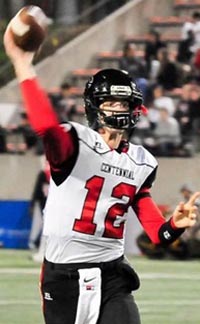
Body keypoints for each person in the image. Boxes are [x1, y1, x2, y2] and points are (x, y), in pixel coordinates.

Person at [4, 25, 200, 324]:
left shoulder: (142, 161)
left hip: (111, 274)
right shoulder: (75, 143)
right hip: (63, 276)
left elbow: (157, 235)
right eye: (111, 102)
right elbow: (45, 125)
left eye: (124, 103)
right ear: (95, 107)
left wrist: (176, 223)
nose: (119, 108)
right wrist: (22, 64)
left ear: (135, 108)